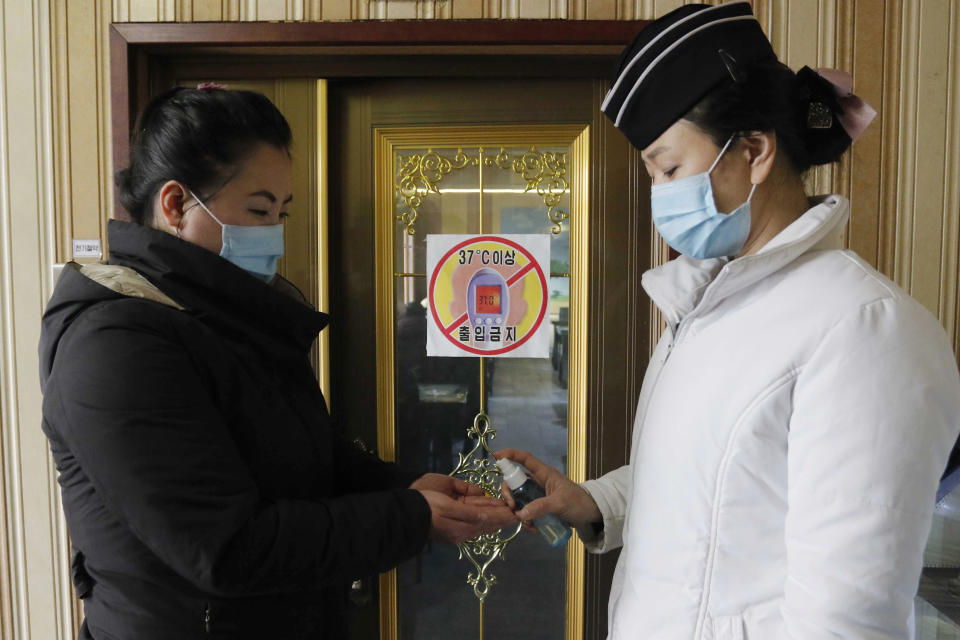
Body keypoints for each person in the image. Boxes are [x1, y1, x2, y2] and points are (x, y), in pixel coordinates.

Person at [496, 3, 960, 638]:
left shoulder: (864, 329)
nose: (660, 194)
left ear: (754, 150)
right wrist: (596, 502)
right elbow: (717, 483)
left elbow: (849, 616)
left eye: (669, 169)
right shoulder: (708, 306)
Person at [39, 85, 516, 640]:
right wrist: (411, 517)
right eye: (258, 210)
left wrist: (409, 486)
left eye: (280, 213)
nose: (273, 233)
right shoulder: (117, 344)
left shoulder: (232, 319)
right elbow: (226, 548)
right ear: (175, 205)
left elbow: (306, 460)